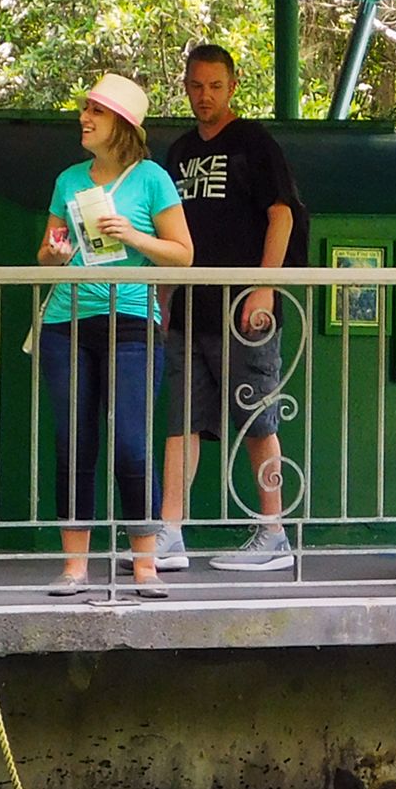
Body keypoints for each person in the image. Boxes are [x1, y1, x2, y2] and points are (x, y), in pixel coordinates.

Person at [37, 72, 193, 598]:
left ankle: (144, 564)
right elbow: (47, 248)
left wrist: (134, 235)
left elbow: (183, 253)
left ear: (121, 124)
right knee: (74, 441)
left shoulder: (152, 179)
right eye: (85, 109)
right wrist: (55, 256)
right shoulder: (67, 179)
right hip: (67, 320)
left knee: (131, 441)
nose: (84, 118)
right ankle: (74, 567)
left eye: (96, 112)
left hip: (132, 321)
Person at [153, 44, 306, 574]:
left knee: (257, 417)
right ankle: (170, 531)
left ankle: (274, 532)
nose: (204, 96)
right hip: (191, 307)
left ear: (232, 86)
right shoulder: (177, 152)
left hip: (244, 309)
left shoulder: (255, 143)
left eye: (215, 86)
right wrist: (165, 296)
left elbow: (281, 215)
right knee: (180, 419)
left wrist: (263, 287)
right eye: (196, 86)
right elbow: (169, 231)